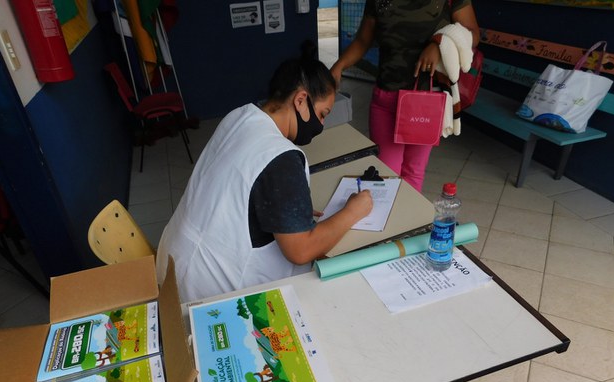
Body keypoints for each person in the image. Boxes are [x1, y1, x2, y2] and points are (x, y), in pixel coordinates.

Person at [156, 45, 373, 303]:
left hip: (171, 265)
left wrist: (286, 210)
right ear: (301, 100)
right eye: (322, 114)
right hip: (208, 295)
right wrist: (353, 212)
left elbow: (241, 189)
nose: (322, 124)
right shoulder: (281, 157)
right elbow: (301, 250)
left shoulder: (239, 117)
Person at [330, 0, 479, 192]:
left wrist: (439, 42)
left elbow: (472, 33)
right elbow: (362, 40)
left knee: (413, 173)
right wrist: (339, 66)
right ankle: (391, 220)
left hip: (425, 101)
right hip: (385, 98)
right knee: (385, 174)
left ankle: (407, 221)